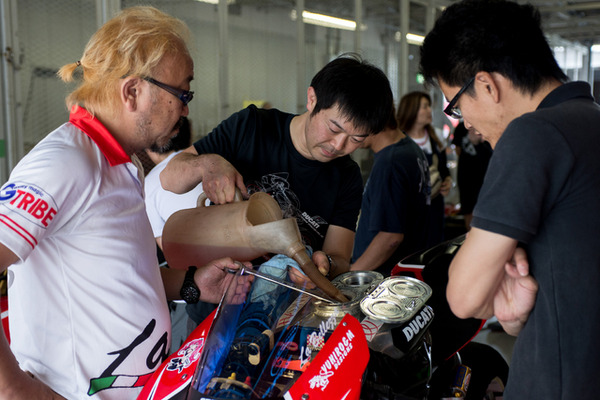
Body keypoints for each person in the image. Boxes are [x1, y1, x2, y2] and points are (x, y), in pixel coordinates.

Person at [0, 7, 247, 399]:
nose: (185, 108)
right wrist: (14, 389)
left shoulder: (119, 163)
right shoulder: (64, 162)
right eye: (182, 93)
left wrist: (194, 285)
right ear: (132, 91)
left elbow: (121, 277)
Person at [420, 0, 600, 398]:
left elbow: (464, 298)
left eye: (457, 104)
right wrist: (517, 316)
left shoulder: (533, 134)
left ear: (486, 85)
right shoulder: (590, 122)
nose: (465, 122)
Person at [160, 53, 395, 279]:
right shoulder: (251, 127)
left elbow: (340, 259)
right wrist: (208, 163)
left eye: (356, 140)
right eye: (334, 128)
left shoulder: (346, 175)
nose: (338, 145)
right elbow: (169, 178)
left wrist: (325, 265)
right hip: (214, 294)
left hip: (284, 309)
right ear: (312, 99)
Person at [350, 113, 430, 276]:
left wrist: (353, 275)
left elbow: (390, 237)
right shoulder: (411, 149)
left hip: (384, 281)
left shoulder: (390, 163)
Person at [397, 91, 452, 247]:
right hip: (410, 209)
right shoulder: (400, 140)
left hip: (434, 208)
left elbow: (444, 171)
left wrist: (447, 181)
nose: (429, 110)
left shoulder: (436, 137)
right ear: (411, 109)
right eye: (424, 106)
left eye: (429, 106)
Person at [451, 121, 492, 230]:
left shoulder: (487, 126)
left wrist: (477, 144)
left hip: (483, 178)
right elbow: (458, 150)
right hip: (465, 177)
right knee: (468, 212)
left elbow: (491, 155)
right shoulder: (461, 128)